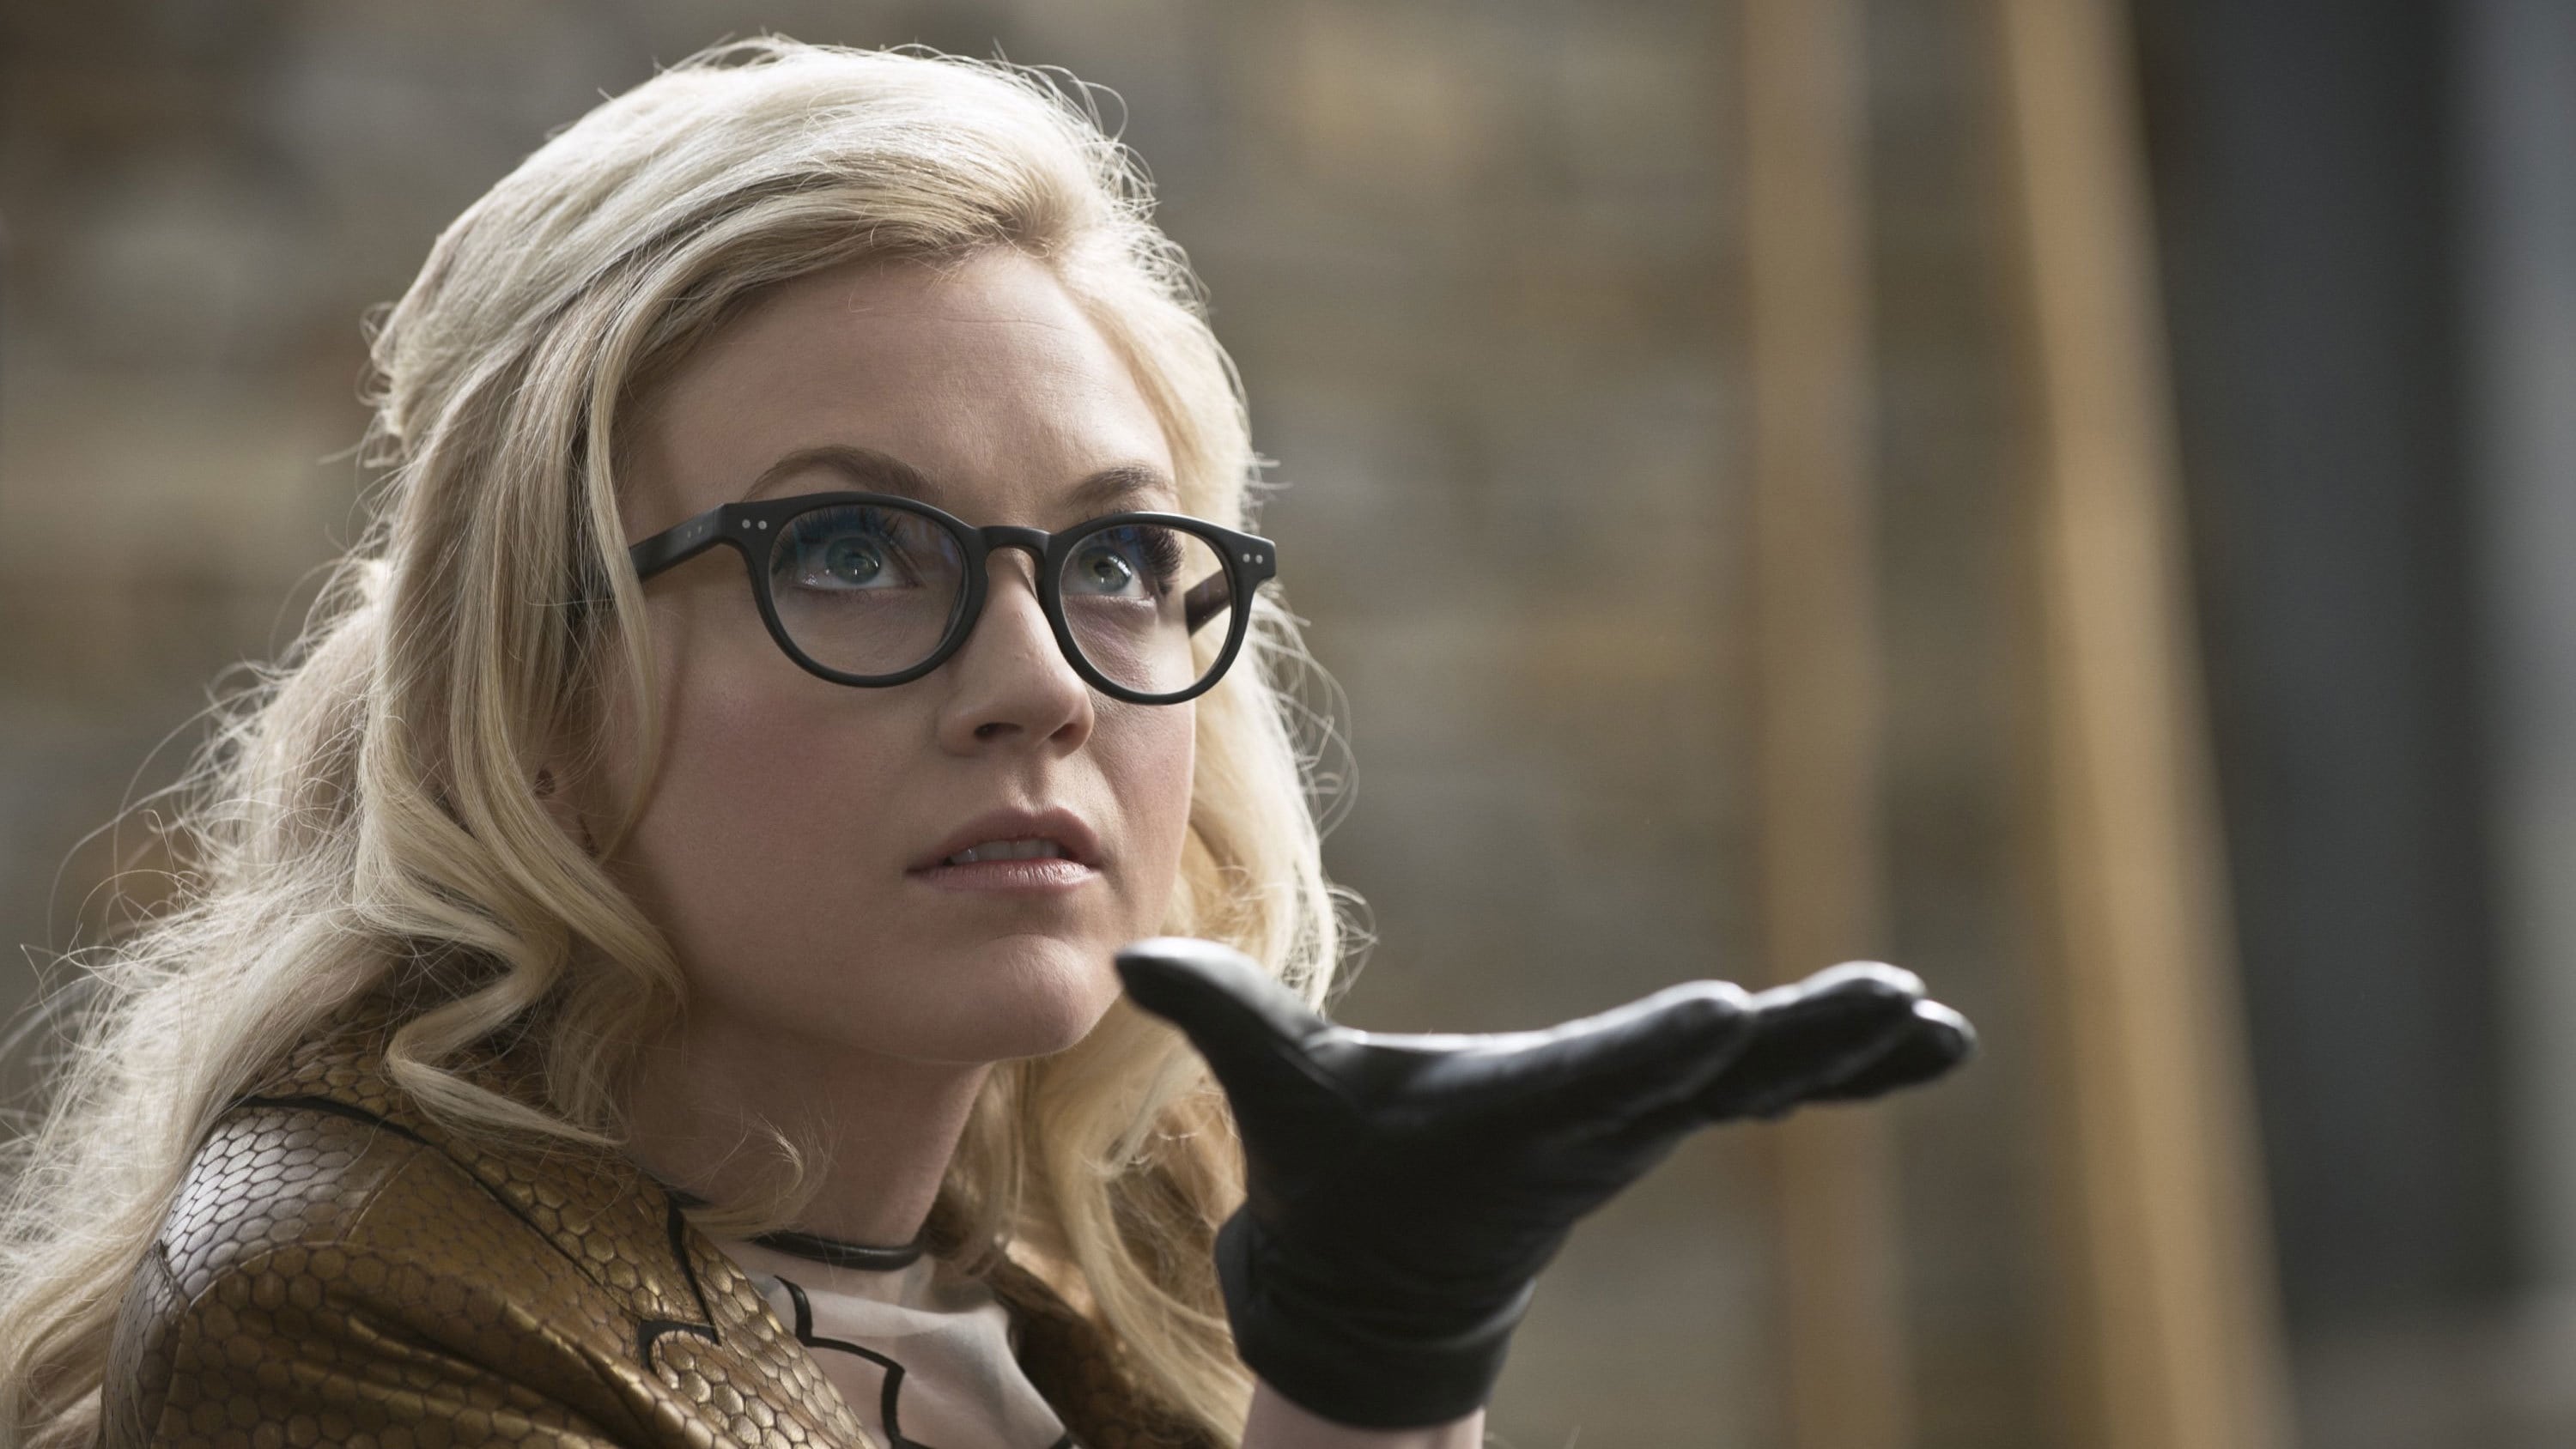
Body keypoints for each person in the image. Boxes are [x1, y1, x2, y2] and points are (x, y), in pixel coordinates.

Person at [0, 38, 1971, 1449]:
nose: (1039, 682)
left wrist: (1387, 1334)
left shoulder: (1128, 1236)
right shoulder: (344, 1303)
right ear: (532, 684)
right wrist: (1369, 1388)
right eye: (849, 550)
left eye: (1113, 557)